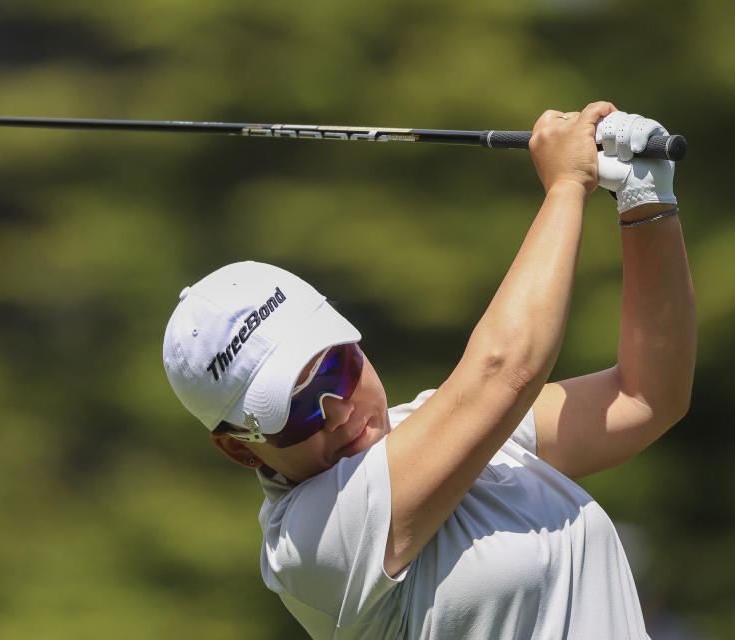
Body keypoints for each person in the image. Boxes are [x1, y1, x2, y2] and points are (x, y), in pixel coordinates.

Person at [162, 101, 696, 639]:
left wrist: (646, 205)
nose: (337, 411)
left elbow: (646, 396)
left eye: (336, 369)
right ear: (238, 447)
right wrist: (565, 187)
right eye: (295, 409)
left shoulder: (442, 424)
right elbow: (505, 370)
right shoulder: (311, 545)